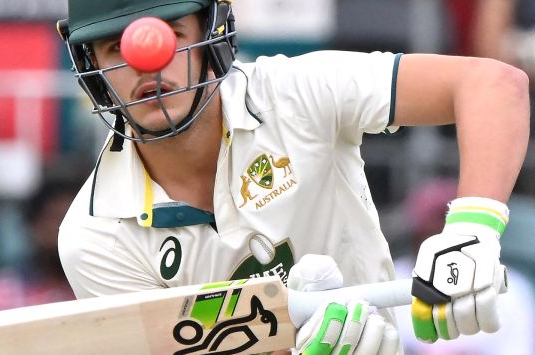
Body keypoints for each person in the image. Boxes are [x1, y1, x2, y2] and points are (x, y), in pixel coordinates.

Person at [56, 1, 530, 354]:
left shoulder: (296, 93)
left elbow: (493, 85)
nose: (147, 60)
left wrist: (473, 230)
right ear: (91, 66)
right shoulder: (95, 238)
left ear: (211, 33)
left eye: (170, 33)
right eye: (116, 46)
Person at [393, 178, 535, 355]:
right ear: (415, 235)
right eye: (431, 233)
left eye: (446, 230)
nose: (441, 246)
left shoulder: (510, 288)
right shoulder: (391, 281)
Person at [0, 172, 79, 316]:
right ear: (33, 224)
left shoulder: (98, 296)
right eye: (56, 219)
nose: (65, 232)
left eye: (75, 223)